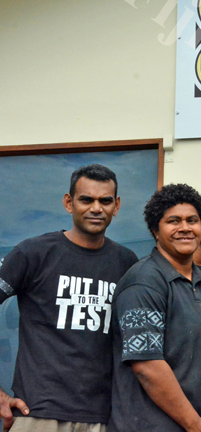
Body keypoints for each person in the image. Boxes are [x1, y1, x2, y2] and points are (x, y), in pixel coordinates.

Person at [0, 164, 138, 432]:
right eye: (86, 199)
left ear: (116, 205)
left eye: (105, 201)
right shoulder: (34, 253)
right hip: (37, 412)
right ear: (69, 202)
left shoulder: (126, 262)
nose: (96, 208)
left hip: (103, 416)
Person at [109, 183, 201, 431]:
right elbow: (147, 366)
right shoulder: (142, 282)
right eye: (174, 221)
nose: (185, 228)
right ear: (155, 230)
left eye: (193, 220)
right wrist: (194, 423)